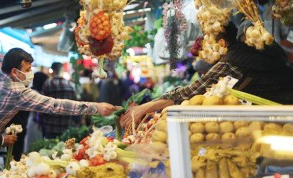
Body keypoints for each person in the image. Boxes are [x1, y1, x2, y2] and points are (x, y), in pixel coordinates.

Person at [121, 22, 293, 127]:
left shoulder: (230, 61)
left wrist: (144, 107)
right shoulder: (246, 50)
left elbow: (189, 92)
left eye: (208, 45)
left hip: (285, 111)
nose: (204, 52)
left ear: (222, 43)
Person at [0, 48, 116, 159]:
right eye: (28, 69)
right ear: (15, 72)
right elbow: (56, 106)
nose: (31, 73)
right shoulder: (17, 92)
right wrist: (96, 107)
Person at [39, 62, 81, 138]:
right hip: (67, 127)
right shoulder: (70, 85)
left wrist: (41, 121)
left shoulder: (47, 84)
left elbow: (42, 106)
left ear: (53, 70)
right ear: (62, 69)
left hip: (51, 126)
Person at [24, 71, 49, 151]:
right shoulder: (34, 93)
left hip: (34, 122)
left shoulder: (35, 92)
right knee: (33, 145)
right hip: (34, 122)